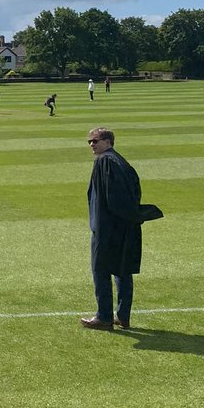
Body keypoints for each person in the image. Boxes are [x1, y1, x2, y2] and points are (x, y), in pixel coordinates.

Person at [82, 128, 162, 331]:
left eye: (95, 140)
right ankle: (123, 316)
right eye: (89, 141)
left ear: (108, 141)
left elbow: (112, 199)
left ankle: (104, 317)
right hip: (123, 226)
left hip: (107, 228)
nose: (91, 144)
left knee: (101, 270)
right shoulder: (119, 161)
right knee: (122, 270)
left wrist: (104, 225)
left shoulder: (105, 161)